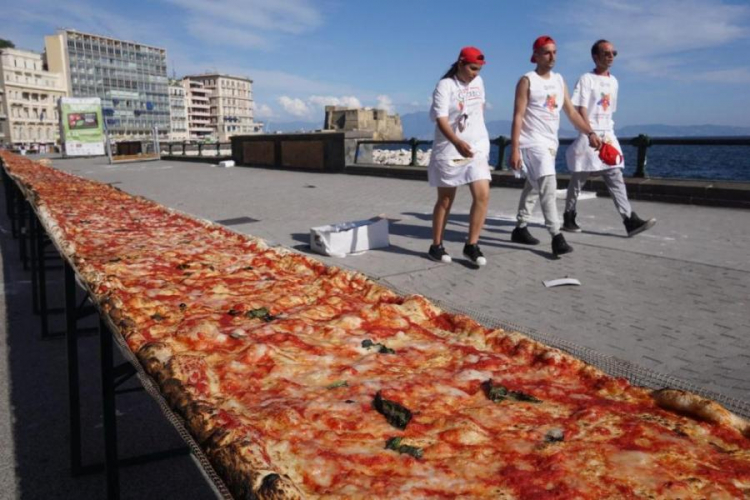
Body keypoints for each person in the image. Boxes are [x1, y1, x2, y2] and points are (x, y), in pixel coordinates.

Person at [509, 36, 602, 256]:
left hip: (551, 143)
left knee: (534, 185)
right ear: (536, 55)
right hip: (531, 143)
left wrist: (589, 132)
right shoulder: (527, 80)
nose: (552, 56)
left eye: (555, 52)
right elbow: (518, 116)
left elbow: (570, 111)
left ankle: (520, 228)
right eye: (547, 52)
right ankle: (556, 236)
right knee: (548, 186)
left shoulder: (559, 80)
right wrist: (514, 148)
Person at [563, 39, 656, 236]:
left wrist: (606, 135)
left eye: (614, 52)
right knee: (579, 176)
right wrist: (589, 132)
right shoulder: (586, 79)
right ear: (595, 57)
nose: (611, 56)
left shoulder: (614, 81)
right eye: (606, 53)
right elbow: (580, 108)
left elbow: (609, 110)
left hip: (607, 133)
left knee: (615, 174)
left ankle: (629, 219)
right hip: (589, 132)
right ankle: (569, 215)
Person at [427, 46, 491, 267]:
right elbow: (441, 119)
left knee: (482, 194)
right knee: (446, 199)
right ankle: (436, 246)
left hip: (475, 146)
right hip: (450, 147)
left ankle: (471, 245)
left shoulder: (479, 83)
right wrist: (457, 141)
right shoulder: (445, 86)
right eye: (473, 68)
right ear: (461, 64)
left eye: (479, 70)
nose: (476, 73)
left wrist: (474, 134)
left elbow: (478, 109)